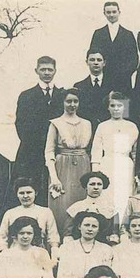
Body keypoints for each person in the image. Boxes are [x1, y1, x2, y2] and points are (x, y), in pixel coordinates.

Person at [13, 56, 64, 204]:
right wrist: (35, 144)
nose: (47, 73)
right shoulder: (26, 96)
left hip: (56, 150)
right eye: (43, 69)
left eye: (50, 69)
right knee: (31, 186)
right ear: (36, 71)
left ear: (55, 71)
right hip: (31, 151)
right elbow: (20, 124)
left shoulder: (62, 95)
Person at [45, 87, 93, 235]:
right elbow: (49, 151)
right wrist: (54, 177)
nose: (72, 104)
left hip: (83, 166)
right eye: (69, 101)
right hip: (62, 167)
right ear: (63, 102)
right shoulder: (56, 123)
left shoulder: (87, 123)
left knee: (82, 204)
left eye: (75, 101)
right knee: (61, 205)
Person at [90, 91, 138, 217]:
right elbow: (96, 151)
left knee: (125, 195)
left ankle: (123, 226)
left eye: (120, 106)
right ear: (108, 107)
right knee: (107, 195)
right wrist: (96, 174)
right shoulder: (102, 126)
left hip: (126, 166)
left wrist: (137, 172)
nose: (116, 109)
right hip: (107, 165)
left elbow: (135, 152)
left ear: (124, 107)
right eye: (113, 106)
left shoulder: (132, 126)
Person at [54, 211, 114, 278]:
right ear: (79, 227)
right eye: (86, 225)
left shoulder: (106, 249)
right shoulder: (67, 248)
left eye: (94, 226)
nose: (90, 229)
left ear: (98, 229)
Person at [0, 178, 60, 254]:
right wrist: (4, 254)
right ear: (17, 194)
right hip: (15, 254)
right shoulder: (10, 213)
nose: (25, 196)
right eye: (22, 193)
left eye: (29, 192)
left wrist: (54, 253)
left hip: (38, 254)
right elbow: (2, 237)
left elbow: (53, 237)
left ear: (35, 193)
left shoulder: (45, 212)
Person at [87, 1, 139, 89]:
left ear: (119, 12)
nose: (111, 15)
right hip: (104, 78)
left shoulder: (128, 34)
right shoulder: (98, 33)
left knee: (123, 102)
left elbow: (134, 58)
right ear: (104, 13)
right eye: (108, 12)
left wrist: (124, 73)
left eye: (114, 12)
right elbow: (93, 54)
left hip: (123, 79)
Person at [64, 171, 121, 243]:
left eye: (99, 184)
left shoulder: (111, 209)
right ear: (86, 187)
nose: (96, 187)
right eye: (92, 184)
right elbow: (68, 234)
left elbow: (114, 233)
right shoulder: (76, 207)